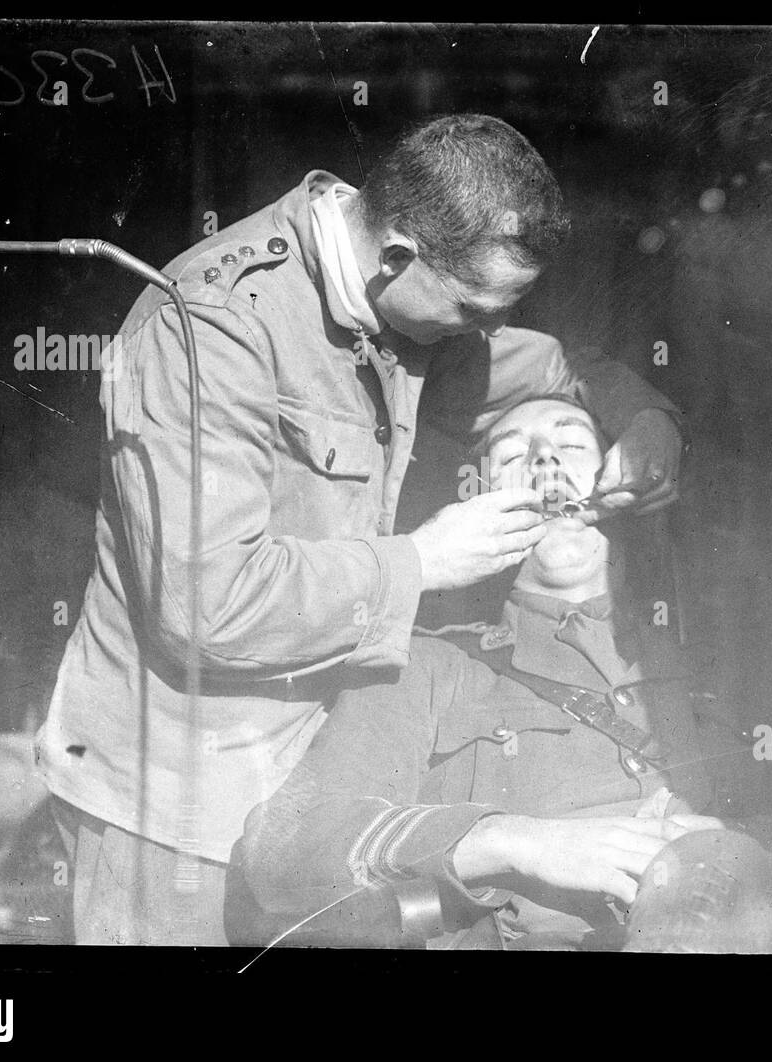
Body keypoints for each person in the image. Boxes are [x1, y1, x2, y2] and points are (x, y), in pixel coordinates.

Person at [35, 114, 688, 946]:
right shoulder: (209, 328)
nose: (476, 335)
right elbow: (206, 605)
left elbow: (562, 366)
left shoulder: (415, 307)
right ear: (397, 258)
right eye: (469, 309)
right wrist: (421, 562)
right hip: (178, 809)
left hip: (316, 793)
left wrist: (648, 421)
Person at [228, 395, 772, 950]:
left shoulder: (723, 658)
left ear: (624, 486)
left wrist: (760, 843)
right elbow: (281, 855)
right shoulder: (429, 664)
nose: (544, 460)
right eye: (511, 455)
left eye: (574, 445)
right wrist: (513, 840)